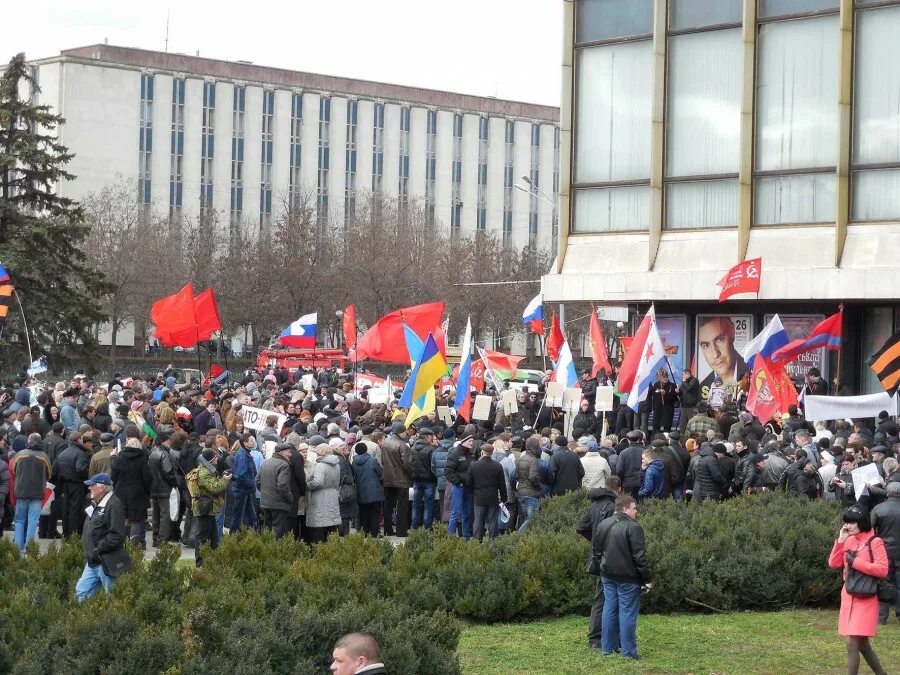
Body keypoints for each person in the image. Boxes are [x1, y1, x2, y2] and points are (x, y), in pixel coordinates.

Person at [828, 505, 889, 675]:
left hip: (866, 599)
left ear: (862, 522)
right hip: (849, 596)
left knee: (852, 641)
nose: (848, 526)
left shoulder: (875, 542)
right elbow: (833, 563)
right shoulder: (849, 540)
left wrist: (856, 562)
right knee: (862, 644)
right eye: (846, 522)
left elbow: (882, 569)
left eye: (852, 522)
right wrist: (840, 541)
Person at [594, 495, 652, 659]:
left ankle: (607, 648)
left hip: (607, 574)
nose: (636, 511)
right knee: (627, 613)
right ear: (625, 509)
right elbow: (640, 557)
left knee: (609, 609)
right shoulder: (633, 527)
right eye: (634, 508)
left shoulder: (603, 523)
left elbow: (596, 549)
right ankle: (628, 652)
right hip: (628, 578)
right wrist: (647, 579)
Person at [578, 475, 623, 650]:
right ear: (619, 489)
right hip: (610, 555)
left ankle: (598, 637)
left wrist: (594, 541)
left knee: (601, 597)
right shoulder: (613, 507)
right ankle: (600, 637)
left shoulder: (595, 504)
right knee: (609, 597)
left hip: (597, 555)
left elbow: (581, 527)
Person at [75, 473, 128, 602]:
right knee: (81, 592)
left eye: (92, 485)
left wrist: (98, 550)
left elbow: (117, 535)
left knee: (112, 597)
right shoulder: (97, 503)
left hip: (106, 561)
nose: (89, 488)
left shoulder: (114, 505)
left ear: (101, 488)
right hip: (93, 561)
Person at [11, 433, 51, 552]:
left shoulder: (20, 454)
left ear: (29, 441)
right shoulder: (44, 456)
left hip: (21, 491)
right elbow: (49, 474)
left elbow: (14, 471)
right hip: (37, 492)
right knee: (33, 520)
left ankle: (18, 548)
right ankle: (28, 548)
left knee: (19, 520)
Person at [111, 436, 152, 549]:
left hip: (121, 492)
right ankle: (135, 543)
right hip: (138, 492)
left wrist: (116, 487)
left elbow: (114, 476)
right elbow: (147, 478)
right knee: (137, 519)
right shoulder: (142, 459)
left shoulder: (119, 458)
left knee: (123, 518)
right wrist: (147, 491)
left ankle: (124, 542)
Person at [192, 448, 231, 567]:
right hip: (204, 508)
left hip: (209, 507)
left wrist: (221, 477)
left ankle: (213, 561)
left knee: (213, 537)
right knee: (202, 536)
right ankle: (200, 563)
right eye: (215, 457)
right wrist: (224, 480)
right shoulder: (204, 472)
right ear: (211, 460)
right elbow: (215, 488)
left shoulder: (209, 469)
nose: (217, 459)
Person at [697, 316, 749, 398]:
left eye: (719, 339)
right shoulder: (703, 388)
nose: (715, 354)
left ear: (732, 332)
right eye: (705, 345)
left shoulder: (752, 374)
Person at [467, 440, 507, 541]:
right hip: (492, 498)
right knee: (493, 522)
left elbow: (469, 482)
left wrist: (473, 493)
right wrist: (504, 498)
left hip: (479, 498)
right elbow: (502, 485)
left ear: (482, 452)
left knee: (478, 522)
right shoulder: (497, 466)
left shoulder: (473, 465)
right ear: (492, 453)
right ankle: (493, 542)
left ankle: (477, 543)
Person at [871, 482, 900, 624]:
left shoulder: (878, 508)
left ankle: (882, 616)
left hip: (884, 550)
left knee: (884, 581)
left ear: (888, 492)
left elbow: (870, 529)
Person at [148, 431, 180, 546]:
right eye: (169, 440)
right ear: (164, 441)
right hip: (165, 489)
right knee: (165, 515)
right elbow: (168, 472)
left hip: (154, 489)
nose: (170, 442)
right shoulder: (164, 454)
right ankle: (162, 540)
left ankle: (155, 538)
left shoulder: (152, 453)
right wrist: (174, 484)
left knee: (156, 515)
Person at [381, 423, 412, 538]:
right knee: (402, 506)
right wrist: (411, 475)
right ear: (401, 432)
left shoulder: (385, 443)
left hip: (387, 479)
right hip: (401, 479)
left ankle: (387, 529)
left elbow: (382, 460)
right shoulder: (403, 445)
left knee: (388, 506)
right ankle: (401, 531)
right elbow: (407, 464)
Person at [306, 444, 342, 542]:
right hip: (333, 495)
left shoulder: (320, 465)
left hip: (320, 497)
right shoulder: (337, 465)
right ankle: (332, 548)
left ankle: (319, 549)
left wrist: (307, 485)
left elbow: (318, 482)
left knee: (319, 525)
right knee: (331, 526)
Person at [258, 442, 294, 538]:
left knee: (267, 530)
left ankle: (266, 547)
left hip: (266, 503)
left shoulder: (266, 462)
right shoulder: (284, 465)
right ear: (282, 452)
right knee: (278, 533)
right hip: (279, 504)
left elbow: (257, 480)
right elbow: (283, 486)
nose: (290, 454)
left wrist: (266, 493)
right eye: (288, 452)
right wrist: (290, 499)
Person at [446, 433, 476, 538]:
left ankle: (466, 537)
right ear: (463, 441)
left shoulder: (471, 454)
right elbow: (448, 471)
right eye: (469, 441)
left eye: (472, 441)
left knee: (467, 513)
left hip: (468, 487)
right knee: (455, 512)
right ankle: (450, 537)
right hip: (458, 487)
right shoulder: (454, 453)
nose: (471, 443)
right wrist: (458, 482)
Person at [352, 440, 384, 537]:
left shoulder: (354, 462)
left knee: (363, 512)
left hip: (360, 491)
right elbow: (380, 472)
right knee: (374, 512)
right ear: (366, 450)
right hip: (374, 491)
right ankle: (374, 532)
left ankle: (365, 532)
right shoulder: (372, 460)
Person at [229, 432, 259, 532]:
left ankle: (252, 535)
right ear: (245, 443)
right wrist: (250, 484)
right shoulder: (242, 455)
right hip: (242, 490)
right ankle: (233, 536)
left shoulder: (246, 453)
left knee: (251, 516)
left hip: (246, 490)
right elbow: (241, 475)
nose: (253, 442)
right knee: (238, 516)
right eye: (251, 440)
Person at [409, 427, 438, 529]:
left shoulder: (412, 448)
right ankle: (427, 526)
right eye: (431, 437)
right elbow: (433, 466)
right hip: (429, 480)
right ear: (427, 437)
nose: (432, 439)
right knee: (428, 504)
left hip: (416, 479)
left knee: (416, 503)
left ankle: (415, 525)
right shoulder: (430, 449)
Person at [515, 436, 542, 531]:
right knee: (532, 519)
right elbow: (533, 477)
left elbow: (516, 475)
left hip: (521, 492)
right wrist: (540, 486)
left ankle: (523, 537)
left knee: (526, 517)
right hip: (531, 493)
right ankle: (517, 536)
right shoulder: (533, 460)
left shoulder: (520, 458)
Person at [677, 369, 700, 434]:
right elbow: (682, 391)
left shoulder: (694, 380)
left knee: (691, 423)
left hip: (691, 406)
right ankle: (682, 437)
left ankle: (692, 437)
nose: (682, 376)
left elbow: (688, 389)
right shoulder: (684, 382)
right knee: (683, 424)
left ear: (687, 374)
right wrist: (678, 391)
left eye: (683, 374)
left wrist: (684, 382)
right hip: (684, 406)